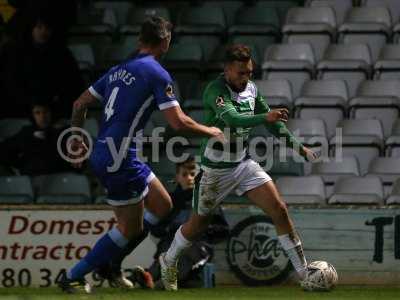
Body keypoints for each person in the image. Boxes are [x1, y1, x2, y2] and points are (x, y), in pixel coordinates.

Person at [58, 16, 224, 294]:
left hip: (112, 152)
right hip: (119, 158)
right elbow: (178, 122)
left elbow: (79, 103)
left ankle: (110, 266)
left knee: (162, 205)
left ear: (140, 40)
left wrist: (75, 136)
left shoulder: (117, 70)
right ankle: (73, 276)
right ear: (166, 41)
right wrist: (211, 131)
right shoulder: (156, 73)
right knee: (127, 229)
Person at [159, 44, 318, 291]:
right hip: (214, 169)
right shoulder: (215, 90)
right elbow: (233, 119)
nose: (246, 78)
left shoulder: (252, 90)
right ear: (227, 70)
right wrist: (265, 117)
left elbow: (274, 124)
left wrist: (300, 148)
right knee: (198, 225)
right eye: (241, 73)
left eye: (250, 72)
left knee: (279, 209)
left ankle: (304, 273)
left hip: (243, 164)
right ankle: (169, 260)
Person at [128, 155, 228, 289]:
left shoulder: (208, 198)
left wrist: (202, 229)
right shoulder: (170, 201)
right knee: (167, 253)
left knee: (185, 253)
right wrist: (169, 229)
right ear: (177, 177)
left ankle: (155, 282)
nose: (189, 178)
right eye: (185, 174)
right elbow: (157, 229)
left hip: (198, 245)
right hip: (170, 243)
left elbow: (223, 229)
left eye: (193, 174)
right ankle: (148, 277)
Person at [0, 9, 83, 119]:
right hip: (20, 111)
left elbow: (73, 84)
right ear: (32, 29)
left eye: (47, 28)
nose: (43, 31)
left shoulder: (63, 54)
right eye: (39, 27)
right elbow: (12, 83)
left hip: (55, 112)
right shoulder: (15, 53)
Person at [0, 101, 73, 176]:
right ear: (33, 115)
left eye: (46, 112)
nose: (42, 116)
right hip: (31, 177)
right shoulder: (27, 132)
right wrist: (19, 164)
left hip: (59, 177)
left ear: (51, 113)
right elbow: (4, 150)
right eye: (37, 113)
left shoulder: (64, 131)